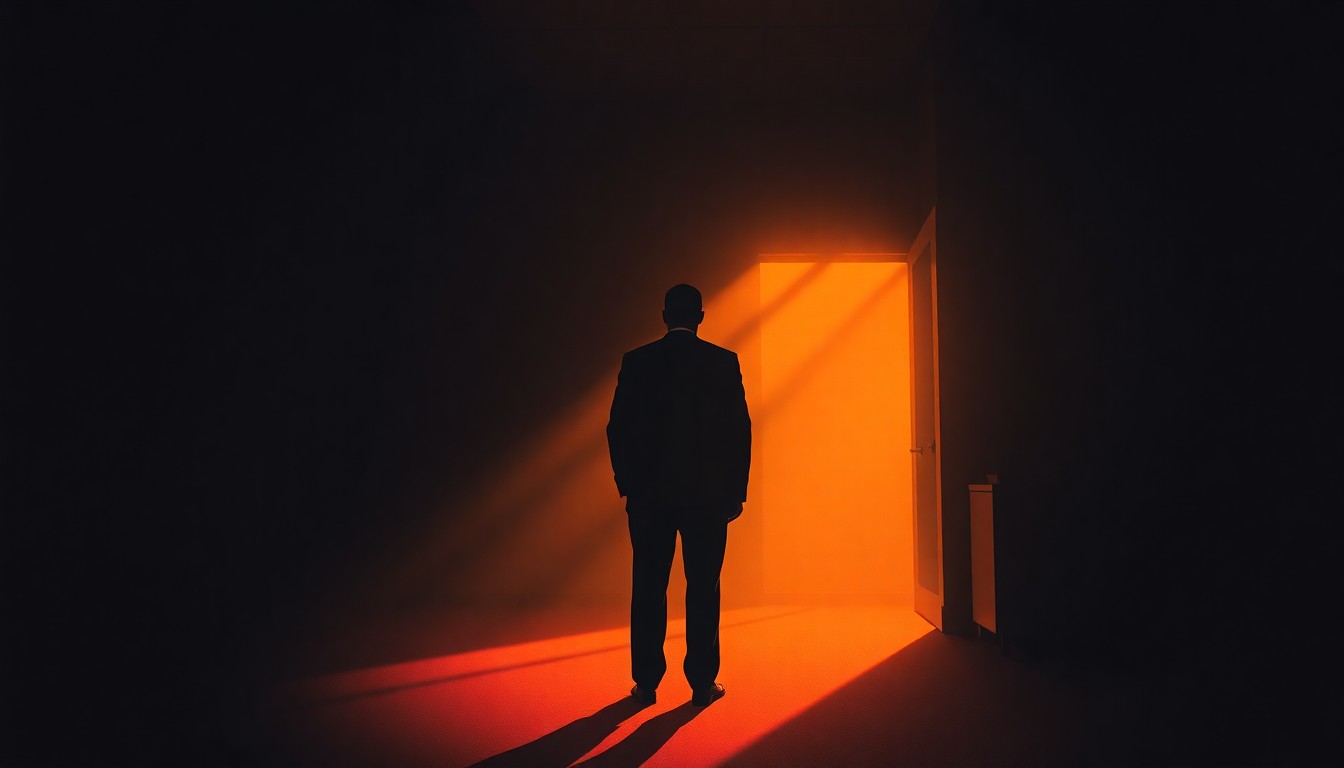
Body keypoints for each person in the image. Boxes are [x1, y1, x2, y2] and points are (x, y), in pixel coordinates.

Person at [606, 283, 751, 708]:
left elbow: (618, 428)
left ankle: (647, 682)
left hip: (649, 498)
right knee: (704, 586)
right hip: (707, 499)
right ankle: (702, 684)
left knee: (649, 586)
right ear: (701, 316)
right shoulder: (724, 362)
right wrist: (735, 493)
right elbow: (738, 433)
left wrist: (628, 484)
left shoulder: (637, 362)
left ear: (664, 315)